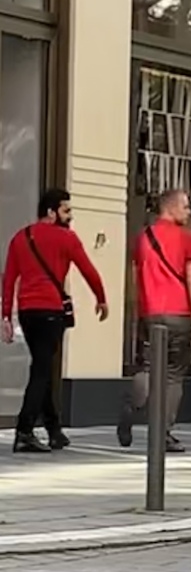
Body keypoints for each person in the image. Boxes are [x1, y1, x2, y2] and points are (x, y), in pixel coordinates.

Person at [1, 187, 109, 453]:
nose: (70, 216)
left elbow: (9, 279)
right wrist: (101, 298)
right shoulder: (66, 239)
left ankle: (54, 429)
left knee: (43, 365)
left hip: (27, 311)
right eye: (66, 210)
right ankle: (24, 430)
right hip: (50, 311)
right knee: (41, 370)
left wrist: (5, 314)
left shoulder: (20, 237)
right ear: (51, 212)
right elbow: (89, 270)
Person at [118, 188, 191, 453]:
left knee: (147, 367)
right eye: (186, 206)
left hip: (150, 312)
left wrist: (137, 311)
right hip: (179, 314)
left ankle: (132, 406)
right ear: (171, 207)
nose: (189, 212)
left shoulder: (143, 237)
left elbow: (135, 278)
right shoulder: (187, 238)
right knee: (173, 376)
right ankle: (163, 434)